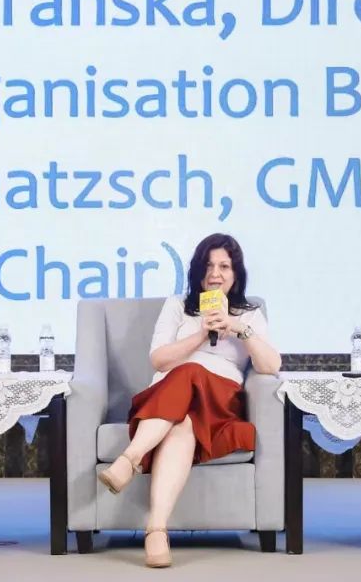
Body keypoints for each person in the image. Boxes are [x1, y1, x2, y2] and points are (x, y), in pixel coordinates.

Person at [96, 233, 281, 567]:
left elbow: (271, 366)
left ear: (236, 273)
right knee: (182, 424)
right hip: (170, 400)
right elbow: (159, 360)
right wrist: (200, 335)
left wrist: (238, 328)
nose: (215, 273)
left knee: (192, 371)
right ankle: (156, 530)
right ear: (197, 271)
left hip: (219, 402)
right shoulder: (177, 306)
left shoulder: (248, 314)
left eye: (224, 266)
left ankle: (129, 459)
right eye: (208, 266)